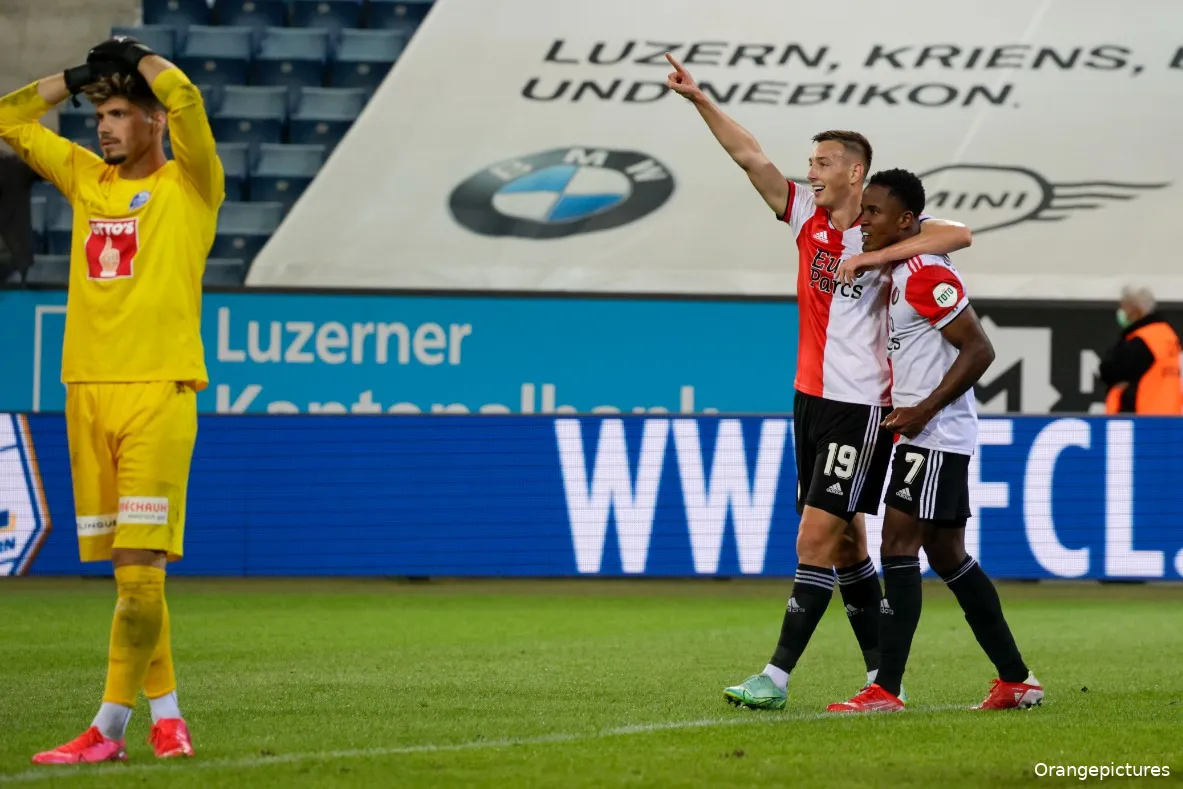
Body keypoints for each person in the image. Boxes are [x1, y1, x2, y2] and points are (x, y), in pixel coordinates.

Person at [663, 54, 973, 710]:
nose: (811, 171)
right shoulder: (804, 213)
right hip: (809, 396)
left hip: (859, 405)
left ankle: (774, 677)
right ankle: (879, 677)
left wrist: (878, 253)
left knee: (814, 534)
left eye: (823, 161)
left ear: (854, 171)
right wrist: (699, 100)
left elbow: (959, 231)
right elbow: (748, 155)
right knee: (847, 541)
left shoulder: (890, 225)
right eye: (810, 162)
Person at [0, 36, 223, 763]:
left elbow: (187, 98)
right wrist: (73, 78)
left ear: (155, 123)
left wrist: (144, 56)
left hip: (158, 391)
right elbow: (8, 119)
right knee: (134, 579)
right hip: (86, 393)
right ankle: (170, 717)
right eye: (104, 113)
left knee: (137, 567)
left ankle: (107, 728)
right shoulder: (87, 180)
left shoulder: (191, 187)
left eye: (122, 112)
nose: (105, 125)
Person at [826, 169, 1042, 713]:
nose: (863, 221)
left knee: (897, 547)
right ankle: (1017, 681)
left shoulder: (923, 273)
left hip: (936, 434)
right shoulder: (902, 265)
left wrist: (923, 409)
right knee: (948, 555)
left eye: (873, 212)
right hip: (929, 431)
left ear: (905, 221)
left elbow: (979, 350)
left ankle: (886, 689)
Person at [1100, 286, 1182, 415]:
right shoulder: (1168, 336)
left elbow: (1109, 370)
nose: (1121, 312)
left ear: (1136, 311)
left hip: (1141, 419)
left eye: (1124, 307)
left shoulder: (1142, 341)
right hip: (1169, 418)